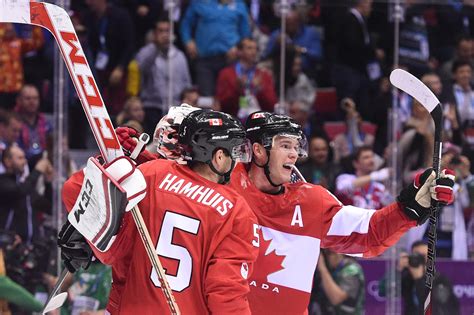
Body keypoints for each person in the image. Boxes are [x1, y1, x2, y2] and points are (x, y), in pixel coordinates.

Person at [227, 111, 455, 315]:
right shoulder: (224, 189)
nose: (294, 154)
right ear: (257, 150)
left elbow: (370, 235)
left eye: (296, 147)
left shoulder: (310, 202)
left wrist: (409, 209)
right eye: (285, 146)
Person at [59, 110, 259, 313]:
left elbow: (73, 189)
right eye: (234, 153)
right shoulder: (236, 210)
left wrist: (111, 162)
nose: (237, 161)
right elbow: (226, 291)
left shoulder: (152, 173)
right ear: (218, 157)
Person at [135, 17, 191, 136]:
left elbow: (187, 83)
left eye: (167, 31)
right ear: (154, 34)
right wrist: (156, 47)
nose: (165, 35)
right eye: (161, 31)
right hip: (152, 108)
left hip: (175, 109)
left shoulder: (179, 56)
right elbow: (141, 68)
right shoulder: (146, 53)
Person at [0, 145, 52, 243]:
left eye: (24, 158)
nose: (24, 162)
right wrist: (37, 171)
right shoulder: (3, 182)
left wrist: (47, 182)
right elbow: (18, 192)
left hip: (31, 249)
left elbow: (48, 207)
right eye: (20, 158)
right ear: (7, 161)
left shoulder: (26, 187)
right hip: (8, 247)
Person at [215, 37, 277, 120]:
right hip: (233, 120)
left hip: (259, 120)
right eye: (249, 48)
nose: (254, 52)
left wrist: (259, 89)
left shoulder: (263, 75)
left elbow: (271, 105)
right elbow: (222, 104)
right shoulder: (226, 74)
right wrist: (238, 90)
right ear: (239, 52)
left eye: (255, 49)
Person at [312, 249, 365, 315]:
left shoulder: (351, 269)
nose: (327, 258)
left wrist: (322, 268)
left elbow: (336, 298)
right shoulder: (327, 269)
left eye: (329, 253)